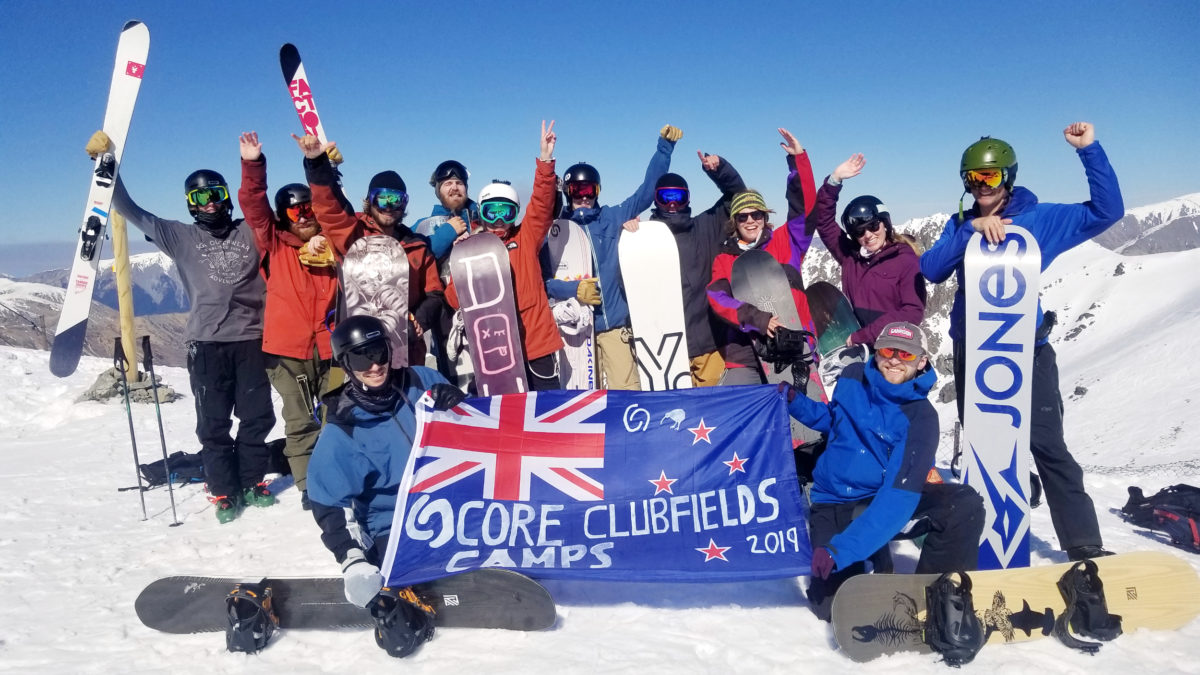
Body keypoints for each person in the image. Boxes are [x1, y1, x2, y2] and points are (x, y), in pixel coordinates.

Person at [920, 122, 1123, 561]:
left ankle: (1084, 544)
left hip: (1026, 351)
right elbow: (932, 268)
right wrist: (970, 230)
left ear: (1008, 176)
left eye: (988, 177)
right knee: (983, 446)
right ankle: (986, 535)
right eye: (971, 179)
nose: (979, 187)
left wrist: (1088, 150)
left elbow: (1107, 212)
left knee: (1047, 444)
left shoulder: (1040, 219)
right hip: (974, 354)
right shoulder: (961, 224)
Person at [87, 130, 276, 523]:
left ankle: (253, 480)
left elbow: (263, 203)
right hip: (206, 344)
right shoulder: (179, 235)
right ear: (190, 205)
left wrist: (259, 164)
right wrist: (106, 167)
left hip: (252, 340)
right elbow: (129, 208)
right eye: (199, 198)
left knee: (257, 417)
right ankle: (223, 489)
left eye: (215, 195)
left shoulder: (250, 231)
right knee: (214, 422)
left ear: (225, 196)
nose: (209, 204)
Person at [783, 322, 984, 621]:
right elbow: (835, 421)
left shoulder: (921, 419)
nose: (894, 360)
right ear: (876, 353)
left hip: (881, 498)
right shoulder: (851, 378)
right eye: (888, 350)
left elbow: (897, 500)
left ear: (922, 360)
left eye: (906, 354)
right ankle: (872, 554)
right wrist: (796, 403)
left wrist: (842, 550)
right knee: (831, 607)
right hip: (834, 501)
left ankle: (936, 596)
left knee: (963, 504)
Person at [307, 314, 465, 656]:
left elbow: (472, 433)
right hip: (392, 524)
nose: (375, 365)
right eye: (361, 358)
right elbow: (330, 501)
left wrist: (456, 402)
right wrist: (352, 560)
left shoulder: (420, 380)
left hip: (449, 504)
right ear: (346, 364)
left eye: (379, 352)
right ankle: (399, 596)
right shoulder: (344, 429)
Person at [237, 131, 339, 510]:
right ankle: (309, 487)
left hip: (330, 349)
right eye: (296, 212)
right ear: (285, 216)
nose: (305, 217)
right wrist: (252, 165)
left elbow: (340, 210)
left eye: (309, 209)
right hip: (287, 352)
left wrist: (327, 169)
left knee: (335, 418)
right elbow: (253, 207)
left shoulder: (332, 244)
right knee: (299, 421)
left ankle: (334, 479)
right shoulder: (275, 243)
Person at [546, 125, 681, 390]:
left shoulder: (611, 217)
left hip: (614, 327)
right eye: (577, 191)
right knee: (583, 398)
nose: (583, 198)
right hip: (577, 331)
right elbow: (544, 282)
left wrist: (664, 148)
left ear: (598, 191)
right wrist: (574, 289)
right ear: (567, 192)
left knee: (626, 390)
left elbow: (646, 192)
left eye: (589, 191)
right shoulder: (557, 230)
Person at [294, 134, 444, 368]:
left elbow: (434, 293)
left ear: (405, 204)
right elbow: (329, 209)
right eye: (382, 199)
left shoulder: (417, 245)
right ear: (370, 201)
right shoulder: (354, 235)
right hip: (359, 344)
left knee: (407, 401)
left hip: (406, 345)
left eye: (397, 200)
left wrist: (419, 319)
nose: (389, 207)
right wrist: (316, 164)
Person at [444, 121, 563, 390]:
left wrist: (546, 160)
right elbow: (453, 299)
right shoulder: (472, 248)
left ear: (516, 215)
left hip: (535, 345)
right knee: (507, 417)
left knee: (544, 411)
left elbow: (542, 204)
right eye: (492, 212)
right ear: (481, 214)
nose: (499, 219)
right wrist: (460, 261)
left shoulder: (525, 238)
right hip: (496, 349)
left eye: (506, 212)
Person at [708, 128, 817, 386]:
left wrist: (798, 161)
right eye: (742, 216)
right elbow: (717, 298)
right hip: (744, 355)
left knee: (804, 419)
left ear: (764, 218)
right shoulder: (725, 259)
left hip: (795, 344)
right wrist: (758, 319)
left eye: (756, 214)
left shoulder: (786, 242)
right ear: (734, 222)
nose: (750, 221)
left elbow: (805, 208)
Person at [636, 144, 750, 387]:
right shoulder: (644, 239)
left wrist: (720, 170)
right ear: (657, 201)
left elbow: (738, 198)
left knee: (712, 414)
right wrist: (630, 235)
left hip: (711, 342)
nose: (673, 204)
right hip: (666, 349)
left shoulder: (706, 226)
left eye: (678, 196)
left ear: (688, 198)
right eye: (665, 197)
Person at [811, 154, 926, 348]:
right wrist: (834, 180)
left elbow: (912, 312)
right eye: (859, 231)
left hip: (891, 349)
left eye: (873, 226)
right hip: (858, 348)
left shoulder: (905, 260)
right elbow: (823, 222)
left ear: (885, 223)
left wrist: (864, 335)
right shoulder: (851, 257)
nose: (868, 235)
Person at [413, 160, 479, 381]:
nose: (454, 188)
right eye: (447, 183)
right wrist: (448, 233)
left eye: (459, 182)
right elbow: (414, 256)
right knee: (455, 371)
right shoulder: (424, 225)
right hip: (445, 312)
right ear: (438, 190)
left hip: (484, 303)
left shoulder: (482, 217)